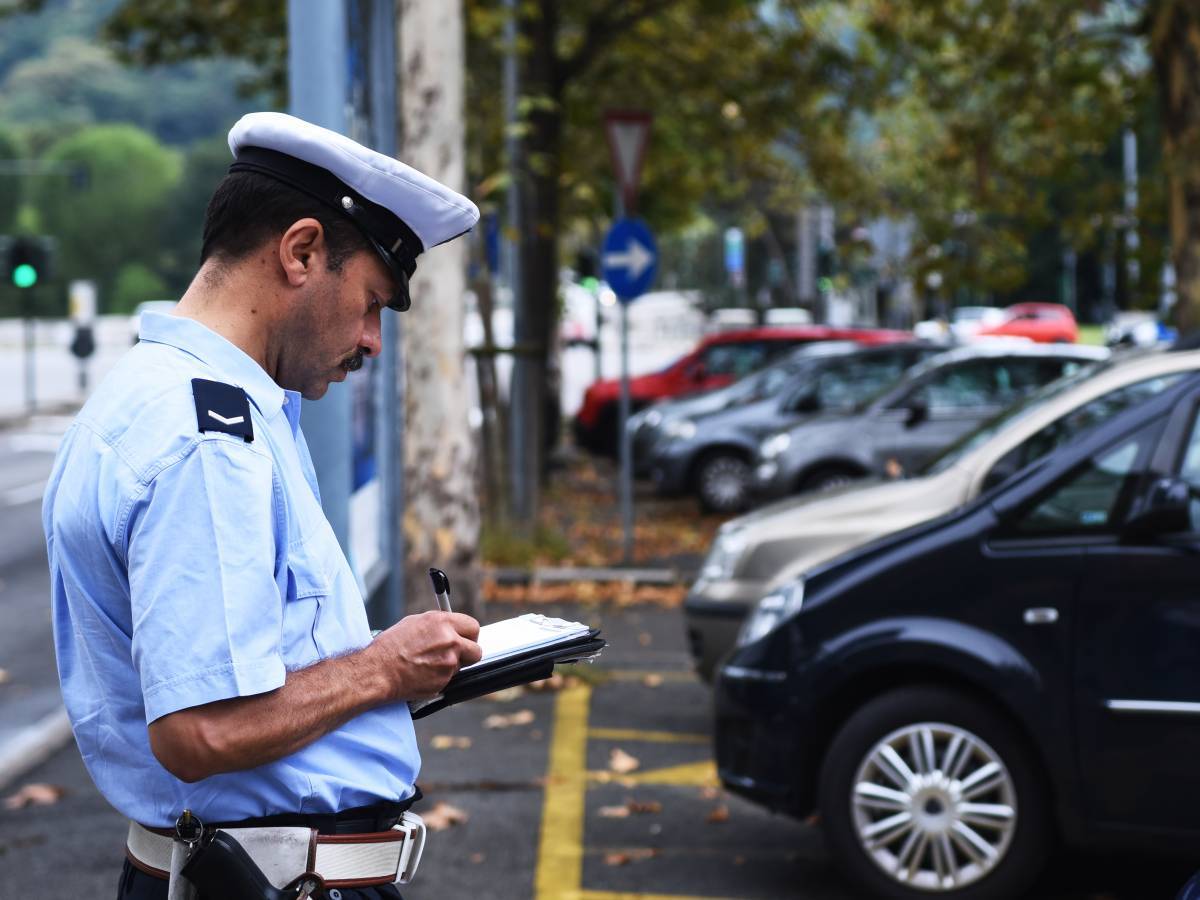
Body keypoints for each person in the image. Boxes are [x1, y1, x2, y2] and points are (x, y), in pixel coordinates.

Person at [42, 112, 483, 900]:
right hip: (276, 883)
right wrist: (384, 668)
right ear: (302, 251)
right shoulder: (207, 437)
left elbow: (246, 660)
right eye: (373, 302)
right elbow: (200, 729)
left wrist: (385, 664)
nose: (372, 340)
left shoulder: (156, 395)